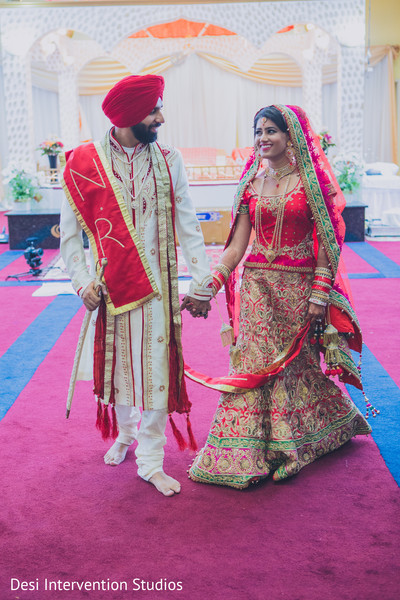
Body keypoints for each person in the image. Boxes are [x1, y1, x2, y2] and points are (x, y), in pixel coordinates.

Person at [188, 104, 373, 489]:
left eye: (271, 131)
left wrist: (320, 294)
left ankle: (297, 446)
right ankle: (243, 452)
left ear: (291, 137)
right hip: (256, 287)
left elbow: (329, 241)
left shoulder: (310, 184)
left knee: (293, 367)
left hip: (299, 289)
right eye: (258, 132)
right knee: (255, 364)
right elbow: (236, 248)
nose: (263, 138)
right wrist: (211, 285)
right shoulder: (250, 184)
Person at [60, 74, 212, 497]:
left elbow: (188, 223)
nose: (161, 117)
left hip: (159, 290)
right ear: (128, 116)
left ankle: (150, 460)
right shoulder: (84, 164)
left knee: (157, 368)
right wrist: (82, 282)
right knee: (120, 367)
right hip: (112, 289)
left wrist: (203, 281)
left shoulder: (169, 159)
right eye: (154, 110)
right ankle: (125, 433)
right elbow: (70, 235)